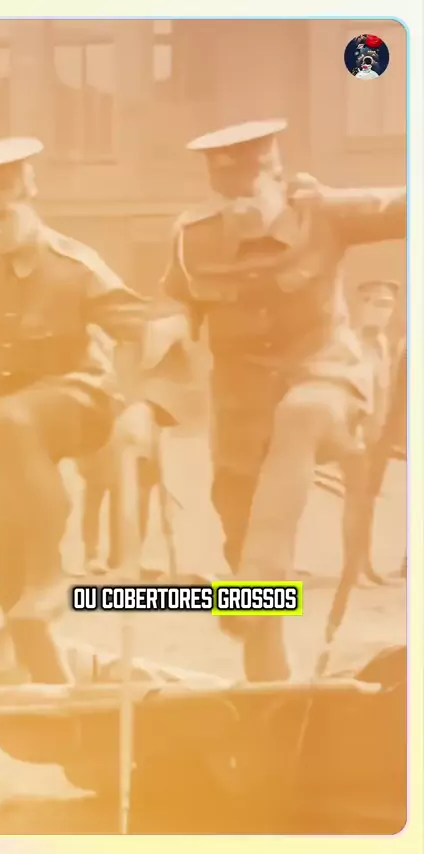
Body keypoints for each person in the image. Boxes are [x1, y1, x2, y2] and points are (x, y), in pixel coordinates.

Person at [153, 119, 406, 680]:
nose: (239, 209)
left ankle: (257, 582)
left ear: (278, 176)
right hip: (242, 408)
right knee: (240, 528)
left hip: (328, 384)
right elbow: (175, 305)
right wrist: (164, 344)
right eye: (228, 197)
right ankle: (267, 672)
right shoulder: (192, 238)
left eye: (251, 193)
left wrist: (347, 200)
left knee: (302, 412)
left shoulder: (324, 213)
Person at [0, 137, 184, 681]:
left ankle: (51, 573)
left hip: (81, 400)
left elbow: (153, 335)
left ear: (29, 196)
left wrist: (147, 405)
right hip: (6, 421)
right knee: (1, 564)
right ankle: (46, 674)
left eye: (4, 217)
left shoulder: (75, 266)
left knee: (15, 418)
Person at [340, 280, 403, 587]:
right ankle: (352, 569)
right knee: (356, 500)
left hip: (378, 436)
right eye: (377, 304)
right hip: (355, 433)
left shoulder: (384, 343)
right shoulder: (348, 344)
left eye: (388, 305)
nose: (383, 312)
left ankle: (364, 564)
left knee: (367, 501)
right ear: (362, 305)